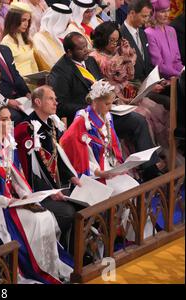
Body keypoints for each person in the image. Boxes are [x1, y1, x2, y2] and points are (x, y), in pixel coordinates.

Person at [0, 100, 72, 283]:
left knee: (45, 216)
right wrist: (10, 202)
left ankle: (50, 267)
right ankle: (34, 268)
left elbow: (16, 176)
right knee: (36, 220)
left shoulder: (7, 143)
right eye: (4, 120)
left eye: (9, 119)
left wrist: (26, 196)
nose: (8, 124)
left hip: (11, 200)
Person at [49, 32, 163, 182]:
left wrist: (112, 99)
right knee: (137, 121)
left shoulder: (89, 61)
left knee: (139, 120)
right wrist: (91, 106)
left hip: (106, 112)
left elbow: (102, 84)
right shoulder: (60, 71)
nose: (87, 51)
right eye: (81, 49)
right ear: (69, 52)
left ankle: (150, 170)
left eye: (86, 47)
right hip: (86, 121)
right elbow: (61, 105)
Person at [14, 85, 81, 252]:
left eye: (55, 99)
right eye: (51, 99)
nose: (56, 102)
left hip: (55, 184)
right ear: (38, 101)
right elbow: (30, 168)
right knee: (68, 212)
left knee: (86, 201)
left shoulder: (50, 123)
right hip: (37, 190)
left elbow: (57, 154)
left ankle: (78, 249)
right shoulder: (26, 129)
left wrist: (72, 177)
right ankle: (61, 251)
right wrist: (51, 191)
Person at [90, 21, 169, 156]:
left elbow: (129, 76)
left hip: (128, 90)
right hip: (112, 96)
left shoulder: (118, 51)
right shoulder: (94, 57)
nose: (115, 44)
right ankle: (148, 157)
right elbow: (101, 83)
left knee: (156, 110)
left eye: (117, 40)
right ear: (103, 39)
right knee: (143, 114)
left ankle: (161, 149)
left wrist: (129, 59)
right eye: (111, 40)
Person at [60, 79, 125, 179]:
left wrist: (117, 163)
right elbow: (65, 142)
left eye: (112, 103)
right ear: (95, 101)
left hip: (110, 167)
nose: (110, 107)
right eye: (107, 104)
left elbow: (113, 144)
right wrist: (97, 172)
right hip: (94, 173)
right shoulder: (82, 120)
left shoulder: (107, 116)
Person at [145, 0, 184, 79]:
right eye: (162, 12)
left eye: (168, 10)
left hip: (176, 78)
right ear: (154, 13)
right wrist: (180, 75)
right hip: (161, 80)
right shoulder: (149, 33)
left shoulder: (171, 30)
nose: (166, 15)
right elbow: (159, 66)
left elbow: (177, 60)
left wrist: (183, 70)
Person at [1, 1, 41, 77]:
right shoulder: (6, 42)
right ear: (14, 19)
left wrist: (38, 80)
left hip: (32, 82)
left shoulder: (26, 38)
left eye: (28, 20)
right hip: (19, 84)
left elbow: (32, 63)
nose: (26, 24)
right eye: (23, 20)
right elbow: (8, 72)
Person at [32, 3, 72, 69]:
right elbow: (46, 64)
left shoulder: (68, 34)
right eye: (66, 20)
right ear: (59, 20)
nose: (69, 22)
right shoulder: (39, 38)